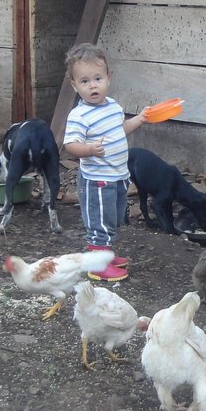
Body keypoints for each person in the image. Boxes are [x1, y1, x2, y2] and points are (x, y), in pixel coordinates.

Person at [61, 43, 146, 281]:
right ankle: (97, 264)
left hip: (117, 176)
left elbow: (120, 130)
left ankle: (105, 254)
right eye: (85, 81)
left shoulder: (113, 107)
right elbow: (70, 145)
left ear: (109, 78)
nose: (93, 85)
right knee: (100, 220)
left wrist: (139, 119)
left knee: (113, 217)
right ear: (74, 85)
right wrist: (88, 149)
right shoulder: (79, 115)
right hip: (97, 180)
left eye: (98, 78)